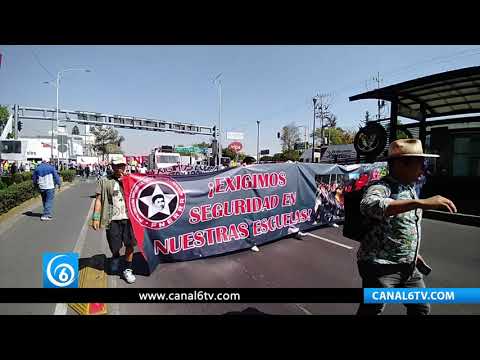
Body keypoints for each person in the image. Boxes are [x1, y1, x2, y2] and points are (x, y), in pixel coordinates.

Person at [356, 139, 457, 316]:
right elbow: (369, 205)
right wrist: (421, 202)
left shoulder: (409, 188)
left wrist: (413, 252)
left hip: (408, 267)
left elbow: (403, 225)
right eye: (419, 164)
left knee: (420, 308)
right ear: (402, 164)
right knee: (372, 310)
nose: (423, 169)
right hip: (381, 267)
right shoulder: (381, 187)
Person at [92, 156, 136, 284]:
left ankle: (128, 269)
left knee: (130, 245)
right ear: (112, 167)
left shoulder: (130, 180)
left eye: (122, 165)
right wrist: (96, 218)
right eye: (117, 166)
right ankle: (115, 257)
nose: (120, 168)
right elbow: (99, 200)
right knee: (114, 246)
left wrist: (127, 181)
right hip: (112, 219)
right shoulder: (105, 181)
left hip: (129, 219)